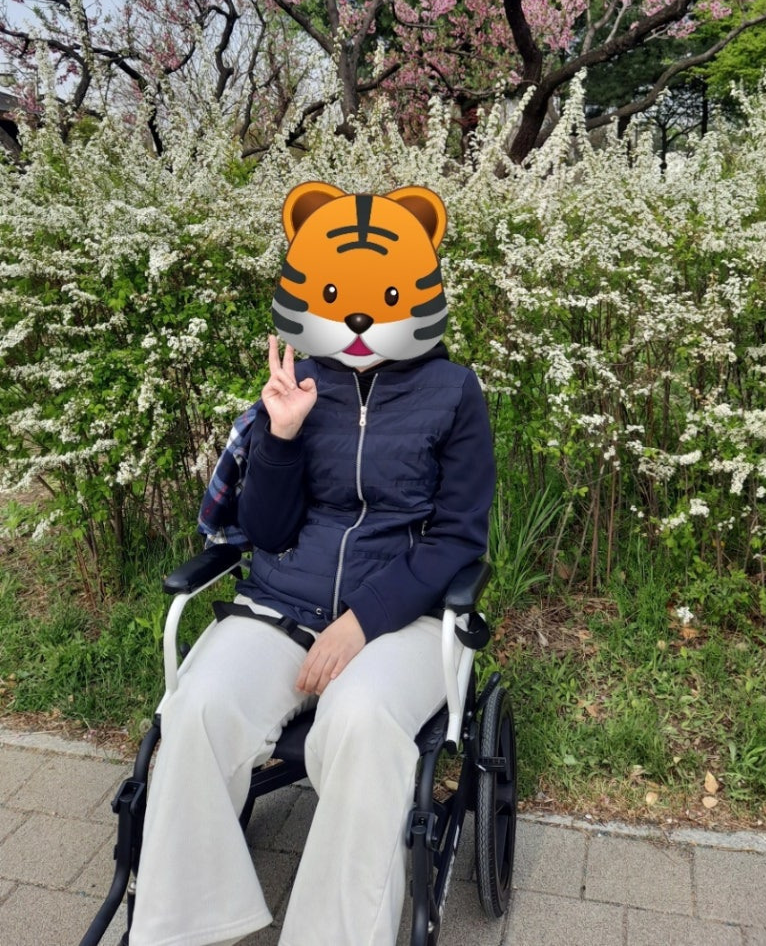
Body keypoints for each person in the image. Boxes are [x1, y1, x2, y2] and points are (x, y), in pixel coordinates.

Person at [128, 183, 495, 946]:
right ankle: (184, 926)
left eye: (381, 298)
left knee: (359, 721)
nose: (358, 319)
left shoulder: (453, 392)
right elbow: (263, 529)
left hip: (402, 617)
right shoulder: (298, 383)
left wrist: (361, 623)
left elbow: (458, 538)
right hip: (281, 601)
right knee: (197, 709)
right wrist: (283, 434)